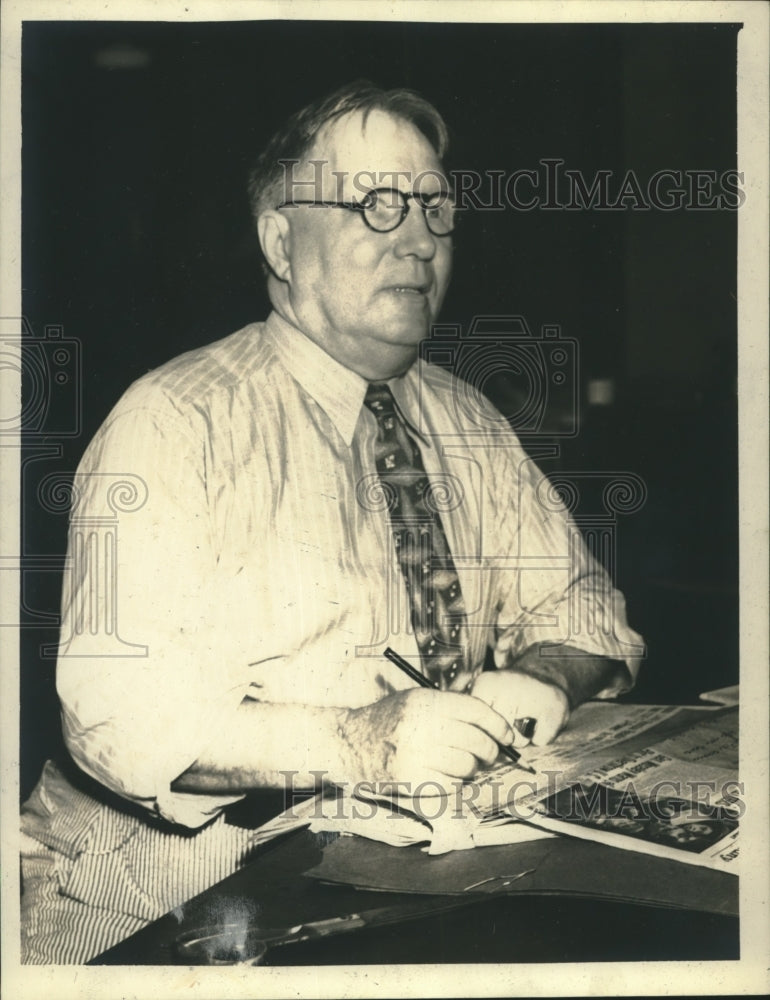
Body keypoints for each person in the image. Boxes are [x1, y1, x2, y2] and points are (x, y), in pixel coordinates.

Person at [20, 81, 643, 963]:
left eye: (433, 205)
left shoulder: (469, 421)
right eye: (377, 204)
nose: (420, 239)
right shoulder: (175, 421)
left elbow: (587, 614)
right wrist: (360, 739)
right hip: (157, 910)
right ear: (281, 239)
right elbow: (121, 718)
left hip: (401, 884)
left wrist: (544, 676)